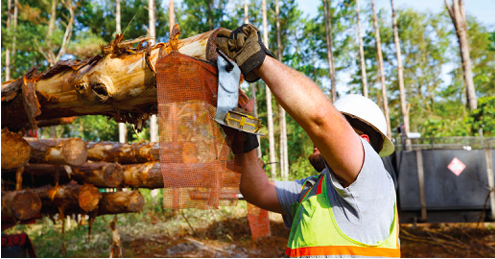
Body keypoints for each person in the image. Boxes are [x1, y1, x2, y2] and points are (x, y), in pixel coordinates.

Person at [215, 24, 400, 258]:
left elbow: (320, 119)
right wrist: (245, 133)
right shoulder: (315, 190)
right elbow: (257, 191)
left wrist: (258, 58)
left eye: (339, 127)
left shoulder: (371, 179)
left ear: (362, 142)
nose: (316, 138)